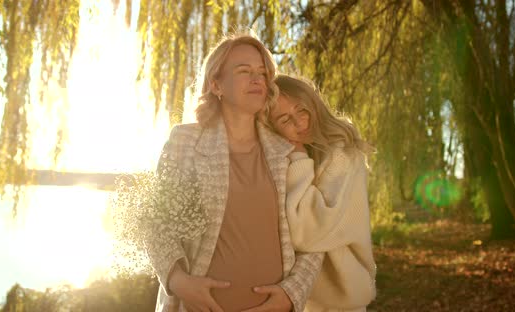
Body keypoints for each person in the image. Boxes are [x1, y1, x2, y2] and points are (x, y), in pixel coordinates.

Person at [147, 34, 324, 312]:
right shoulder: (185, 142)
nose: (257, 79)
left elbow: (314, 236)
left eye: (263, 73)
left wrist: (291, 294)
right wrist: (179, 282)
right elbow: (157, 226)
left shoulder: (287, 151)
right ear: (216, 84)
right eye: (244, 71)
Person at [264, 74, 376, 312]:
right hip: (303, 298)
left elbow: (308, 229)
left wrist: (297, 157)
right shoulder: (281, 160)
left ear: (313, 103)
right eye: (284, 119)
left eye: (301, 110)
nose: (298, 123)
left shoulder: (344, 155)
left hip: (341, 300)